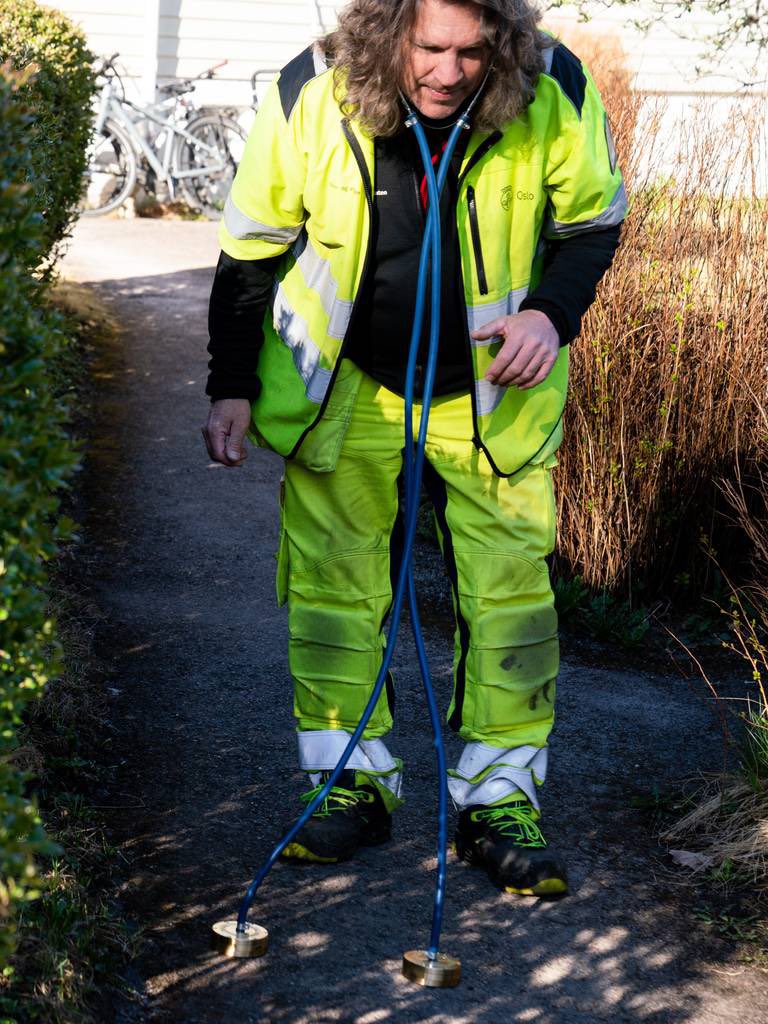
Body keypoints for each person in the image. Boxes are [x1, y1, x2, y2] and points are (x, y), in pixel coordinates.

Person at [202, 0, 626, 898]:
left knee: (510, 597)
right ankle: (347, 783)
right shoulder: (308, 91)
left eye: (474, 51)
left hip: (490, 395)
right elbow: (249, 251)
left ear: (503, 43)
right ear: (387, 31)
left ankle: (500, 801)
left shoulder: (554, 86)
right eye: (430, 48)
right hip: (346, 387)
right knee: (334, 588)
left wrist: (552, 315)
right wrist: (229, 384)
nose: (449, 72)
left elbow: (594, 224)